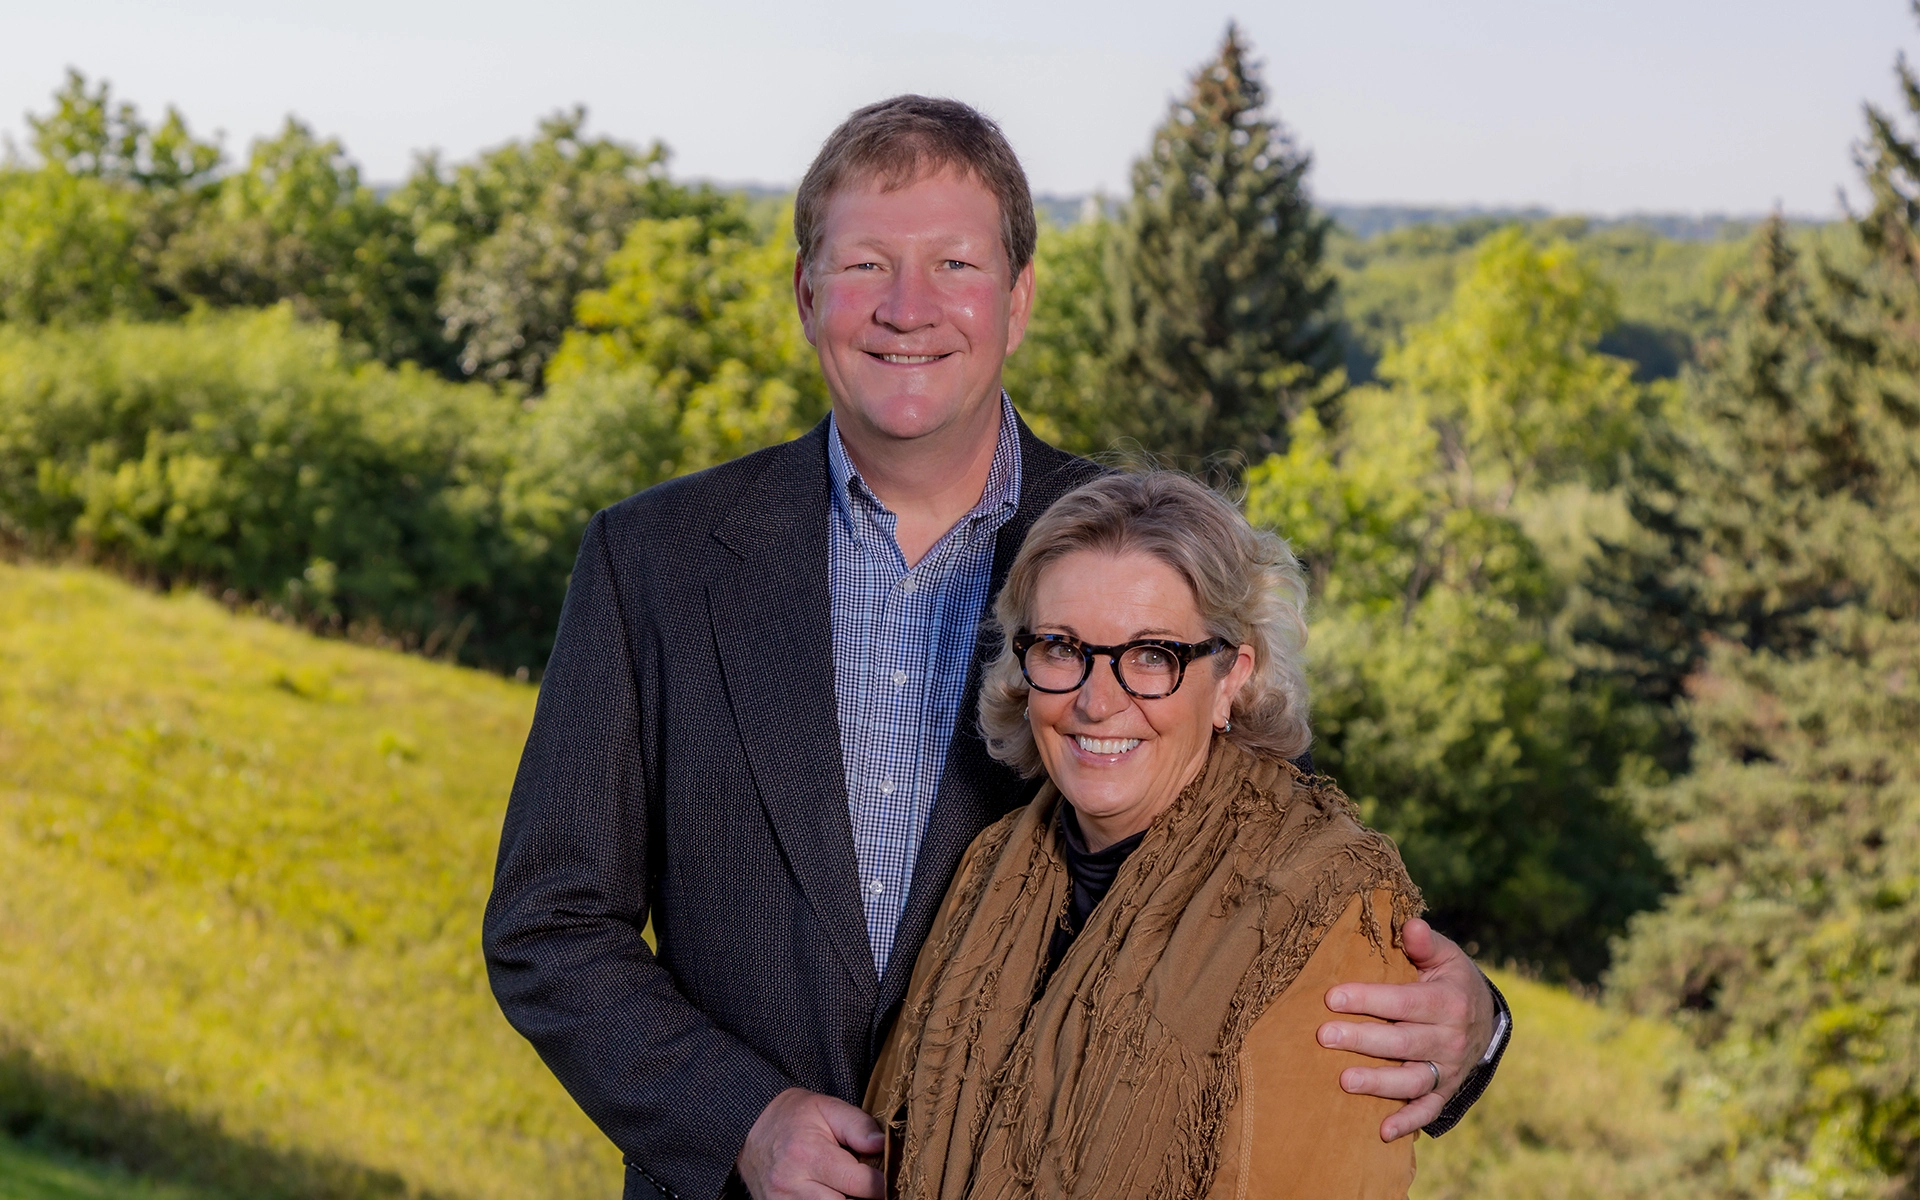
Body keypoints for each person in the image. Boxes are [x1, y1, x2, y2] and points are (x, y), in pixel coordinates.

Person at [483, 95, 1508, 1200]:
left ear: (1017, 300)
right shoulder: (653, 561)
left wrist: (1476, 1024)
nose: (909, 308)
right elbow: (550, 924)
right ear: (806, 292)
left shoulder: (1137, 547)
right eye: (868, 264)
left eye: (956, 266)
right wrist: (743, 1117)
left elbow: (1268, 860)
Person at [867, 471, 1420, 1198]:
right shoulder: (992, 865)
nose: (1098, 701)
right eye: (1063, 648)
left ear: (1231, 677)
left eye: (1152, 656)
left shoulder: (1325, 903)